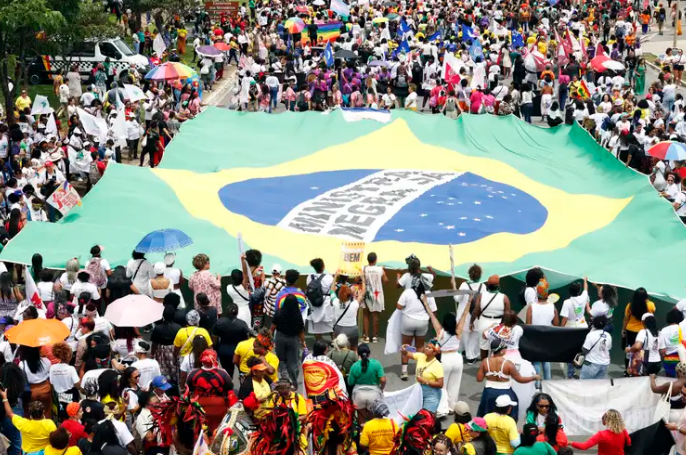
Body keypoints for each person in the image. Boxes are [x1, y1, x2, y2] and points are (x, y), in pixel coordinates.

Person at [420, 292, 468, 418]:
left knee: (442, 385)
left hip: (445, 359)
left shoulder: (440, 331)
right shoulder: (458, 331)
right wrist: (469, 301)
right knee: (454, 384)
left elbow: (432, 316)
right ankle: (452, 406)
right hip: (457, 358)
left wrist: (425, 302)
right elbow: (464, 315)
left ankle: (442, 409)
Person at [476, 339, 540, 419]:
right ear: (501, 351)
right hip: (505, 392)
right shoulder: (508, 364)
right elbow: (520, 379)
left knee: (487, 415)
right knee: (508, 415)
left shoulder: (485, 362)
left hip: (489, 392)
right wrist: (533, 377)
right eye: (505, 348)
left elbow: (479, 379)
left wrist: (489, 374)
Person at [186, 349, 233, 435]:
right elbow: (230, 390)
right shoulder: (223, 374)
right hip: (218, 408)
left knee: (200, 432)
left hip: (199, 408)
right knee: (218, 432)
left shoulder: (193, 374)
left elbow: (189, 390)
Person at [397, 285, 437, 381]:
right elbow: (434, 310)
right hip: (422, 322)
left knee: (406, 346)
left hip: (408, 321)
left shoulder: (407, 292)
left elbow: (399, 306)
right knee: (420, 346)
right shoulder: (429, 294)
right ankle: (419, 370)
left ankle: (404, 371)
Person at [0, 389, 56, 455]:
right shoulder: (50, 424)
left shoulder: (24, 423)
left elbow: (9, 414)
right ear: (43, 412)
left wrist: (4, 397)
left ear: (30, 414)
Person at [472, 275, 511, 360]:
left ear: (487, 285)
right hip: (498, 324)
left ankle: (484, 365)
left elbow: (476, 310)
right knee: (498, 347)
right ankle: (496, 365)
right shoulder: (504, 298)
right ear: (498, 286)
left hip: (483, 322)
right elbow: (507, 315)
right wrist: (504, 326)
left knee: (483, 347)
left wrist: (471, 322)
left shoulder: (481, 296)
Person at [401, 339, 444, 413]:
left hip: (431, 394)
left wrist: (425, 381)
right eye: (426, 346)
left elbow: (440, 384)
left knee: (426, 416)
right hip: (418, 391)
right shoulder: (421, 356)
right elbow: (406, 354)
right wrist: (403, 348)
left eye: (429, 348)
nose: (426, 348)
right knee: (415, 415)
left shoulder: (437, 365)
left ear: (434, 352)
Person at [271, 294, 306, 385]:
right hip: (293, 339)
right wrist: (303, 342)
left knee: (281, 359)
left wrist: (270, 339)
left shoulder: (279, 312)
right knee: (293, 361)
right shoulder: (297, 315)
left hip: (280, 338)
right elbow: (301, 332)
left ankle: (284, 378)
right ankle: (293, 381)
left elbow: (272, 327)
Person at [348, 343, 385, 421]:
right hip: (374, 395)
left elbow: (350, 382)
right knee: (372, 419)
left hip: (358, 395)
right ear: (369, 353)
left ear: (358, 354)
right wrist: (381, 389)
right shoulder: (376, 363)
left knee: (361, 418)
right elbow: (383, 380)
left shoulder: (354, 365)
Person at [211, 302, 250, 377]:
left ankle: (229, 383)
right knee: (242, 372)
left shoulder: (219, 322)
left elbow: (214, 337)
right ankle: (243, 382)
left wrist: (215, 348)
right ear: (237, 312)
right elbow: (246, 339)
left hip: (224, 351)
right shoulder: (242, 324)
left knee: (227, 373)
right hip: (239, 352)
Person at [622, 287, 655, 370]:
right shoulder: (650, 305)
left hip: (630, 330)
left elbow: (626, 319)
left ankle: (627, 370)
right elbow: (653, 312)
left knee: (629, 350)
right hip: (643, 331)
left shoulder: (630, 305)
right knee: (641, 351)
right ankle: (639, 369)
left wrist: (623, 329)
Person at [18, 346, 53, 419]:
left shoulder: (22, 364)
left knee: (30, 413)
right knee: (46, 412)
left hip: (30, 392)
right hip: (45, 390)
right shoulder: (46, 361)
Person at [150, 304, 181, 384]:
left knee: (163, 369)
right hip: (175, 349)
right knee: (175, 368)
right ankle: (175, 384)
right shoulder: (178, 327)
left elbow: (154, 343)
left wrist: (152, 353)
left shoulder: (158, 328)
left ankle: (164, 384)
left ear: (163, 315)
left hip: (161, 351)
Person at [362, 253, 388, 343]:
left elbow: (357, 279)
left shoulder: (364, 268)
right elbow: (386, 281)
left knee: (366, 314)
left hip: (366, 293)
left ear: (367, 260)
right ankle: (374, 337)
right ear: (376, 260)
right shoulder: (380, 269)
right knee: (375, 315)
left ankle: (366, 337)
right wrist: (383, 271)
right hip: (377, 294)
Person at [580, 315, 612, 379]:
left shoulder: (591, 335)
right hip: (604, 364)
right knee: (598, 384)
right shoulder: (608, 335)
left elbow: (585, 350)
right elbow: (608, 348)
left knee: (584, 383)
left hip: (591, 363)